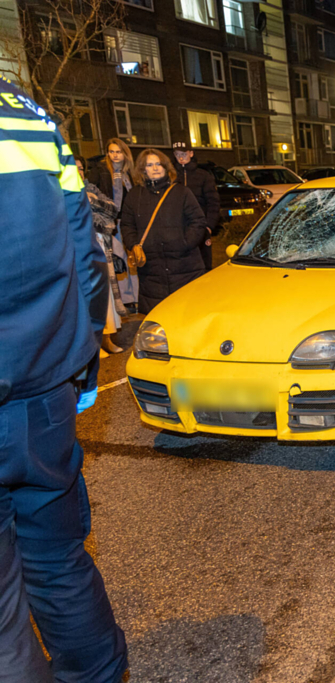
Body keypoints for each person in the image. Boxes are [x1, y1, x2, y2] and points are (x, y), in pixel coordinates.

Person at [0, 76, 128, 682]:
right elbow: (85, 249)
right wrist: (80, 365)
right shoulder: (26, 111)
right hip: (43, 390)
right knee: (57, 558)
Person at [120, 149, 207, 314]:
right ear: (142, 169)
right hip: (151, 271)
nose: (155, 168)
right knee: (157, 321)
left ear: (166, 167)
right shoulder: (134, 196)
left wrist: (185, 243)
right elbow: (127, 225)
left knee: (188, 314)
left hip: (184, 267)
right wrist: (134, 244)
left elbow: (198, 221)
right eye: (150, 165)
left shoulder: (181, 192)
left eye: (158, 164)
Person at [77, 157, 126, 356]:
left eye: (81, 168)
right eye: (74, 168)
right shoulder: (60, 191)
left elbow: (112, 211)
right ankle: (91, 345)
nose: (78, 172)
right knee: (84, 297)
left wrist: (92, 201)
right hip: (78, 250)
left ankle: (107, 338)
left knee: (104, 297)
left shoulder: (91, 188)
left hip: (100, 246)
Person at [88, 138, 139, 310]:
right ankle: (126, 299)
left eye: (118, 151)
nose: (115, 155)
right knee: (120, 259)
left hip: (131, 222)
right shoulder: (100, 171)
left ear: (125, 153)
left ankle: (137, 296)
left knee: (134, 257)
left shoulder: (131, 173)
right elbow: (89, 191)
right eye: (111, 151)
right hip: (111, 223)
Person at [171, 140, 220, 271]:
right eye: (177, 154)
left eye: (184, 154)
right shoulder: (171, 177)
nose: (181, 158)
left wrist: (209, 226)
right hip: (177, 229)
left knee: (204, 265)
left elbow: (213, 202)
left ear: (191, 153)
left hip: (200, 228)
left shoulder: (203, 176)